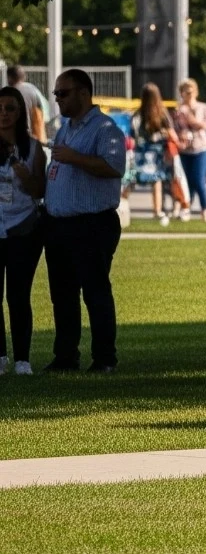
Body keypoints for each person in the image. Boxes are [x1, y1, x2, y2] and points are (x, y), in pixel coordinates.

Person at [42, 68, 127, 372]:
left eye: (63, 93)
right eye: (56, 94)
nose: (58, 100)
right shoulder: (67, 128)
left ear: (83, 92)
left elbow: (114, 167)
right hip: (59, 224)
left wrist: (74, 157)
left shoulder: (106, 129)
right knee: (62, 296)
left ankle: (104, 359)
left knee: (95, 293)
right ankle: (66, 356)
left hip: (92, 224)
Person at [0, 85, 48, 375]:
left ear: (20, 113)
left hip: (23, 228)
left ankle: (22, 360)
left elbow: (40, 190)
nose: (3, 114)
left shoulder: (32, 148)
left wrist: (26, 175)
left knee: (18, 295)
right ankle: (0, 358)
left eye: (10, 108)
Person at [131, 84, 183, 226]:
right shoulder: (162, 113)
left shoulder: (138, 114)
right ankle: (157, 210)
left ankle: (122, 205)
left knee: (132, 180)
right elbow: (171, 132)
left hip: (142, 152)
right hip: (158, 152)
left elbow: (133, 133)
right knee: (158, 181)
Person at [173, 79, 206, 224]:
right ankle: (186, 209)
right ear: (181, 93)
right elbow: (175, 129)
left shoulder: (203, 107)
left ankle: (205, 210)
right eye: (186, 91)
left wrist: (191, 119)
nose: (189, 94)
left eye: (191, 91)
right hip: (185, 150)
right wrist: (180, 135)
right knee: (186, 182)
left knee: (198, 180)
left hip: (201, 148)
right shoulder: (179, 110)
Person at [6, 66, 48, 142]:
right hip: (32, 135)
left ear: (10, 77)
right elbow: (42, 110)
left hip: (17, 134)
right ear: (23, 77)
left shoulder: (11, 92)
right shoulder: (33, 88)